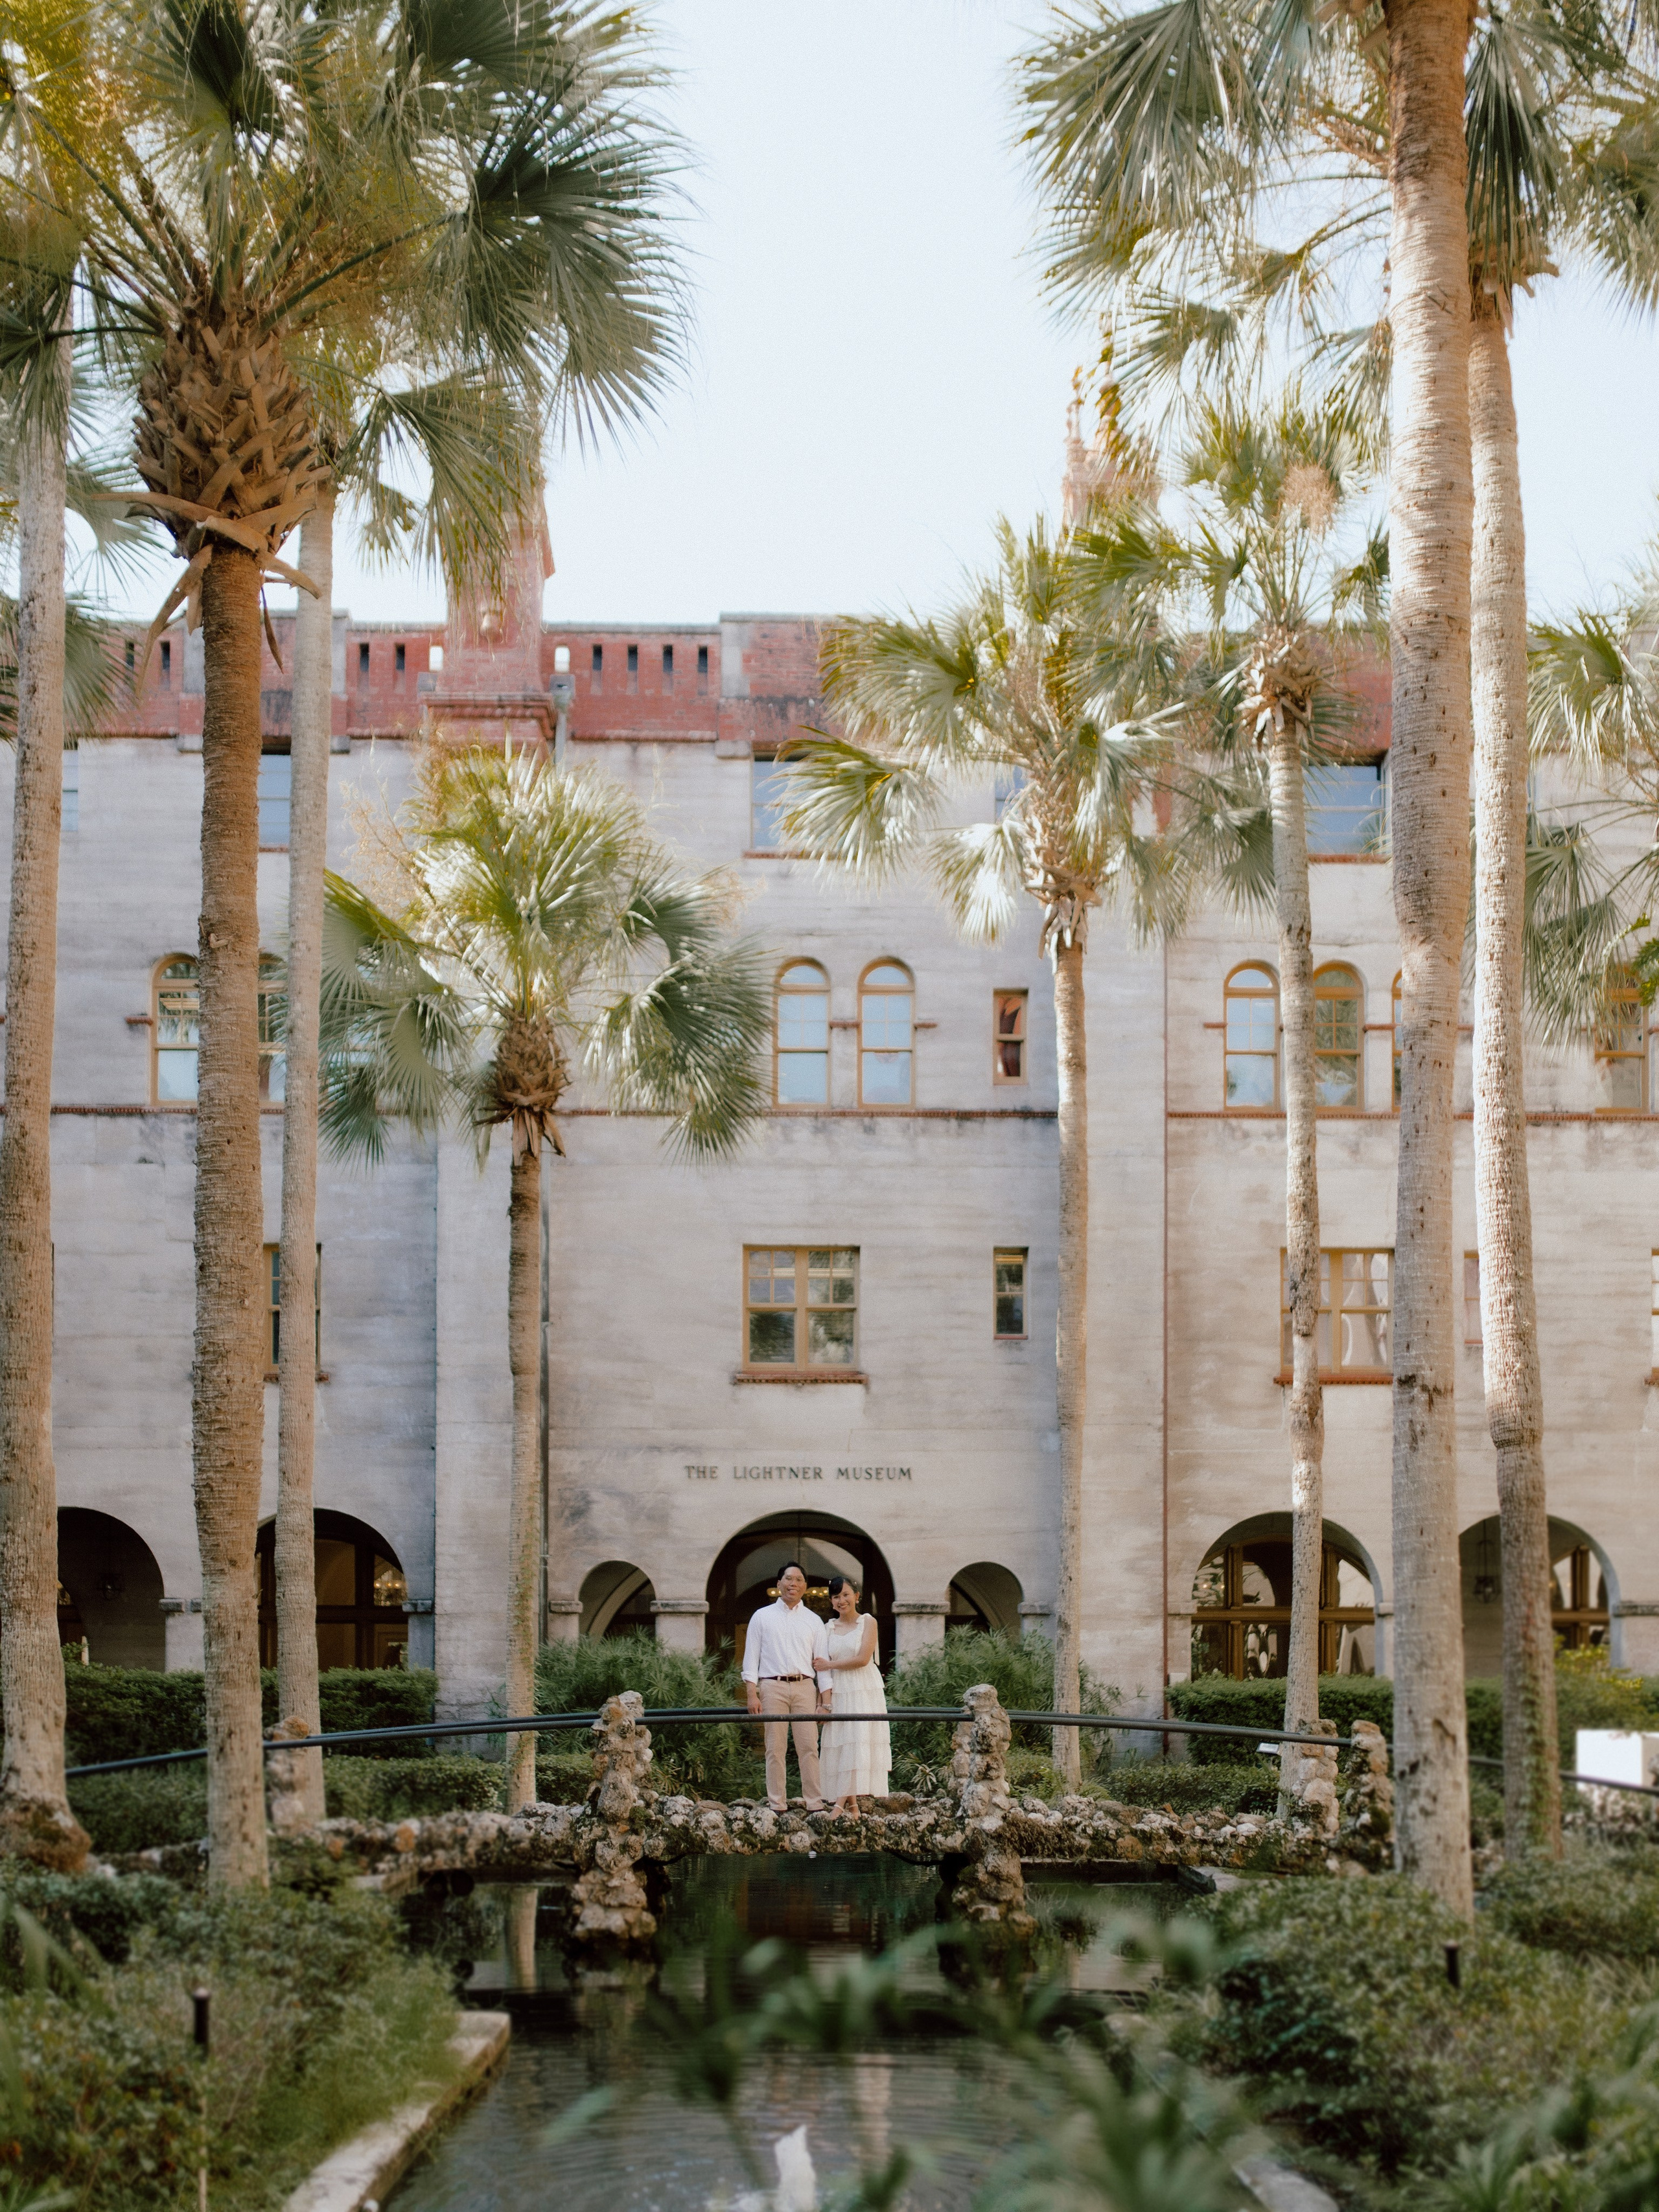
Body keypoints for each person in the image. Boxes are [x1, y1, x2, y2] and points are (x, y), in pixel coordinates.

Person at [741, 1560, 830, 1811]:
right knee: (775, 1748)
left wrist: (826, 1702)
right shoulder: (762, 1616)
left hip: (805, 1687)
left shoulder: (814, 1621)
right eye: (789, 1579)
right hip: (772, 1687)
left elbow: (822, 1665)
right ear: (779, 1584)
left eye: (799, 1580)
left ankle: (815, 1803)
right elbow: (751, 1659)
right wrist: (752, 1694)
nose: (794, 1584)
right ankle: (777, 1804)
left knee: (809, 1748)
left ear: (805, 1586)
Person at [815, 1573, 890, 1817]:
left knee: (857, 1741)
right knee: (841, 1743)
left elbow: (863, 1659)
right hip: (840, 1690)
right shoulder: (828, 1628)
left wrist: (829, 1665)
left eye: (845, 1595)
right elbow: (821, 1671)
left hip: (864, 1688)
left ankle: (839, 1804)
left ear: (856, 1597)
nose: (841, 1600)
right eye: (836, 1597)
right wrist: (822, 1702)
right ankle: (853, 1804)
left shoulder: (868, 1622)